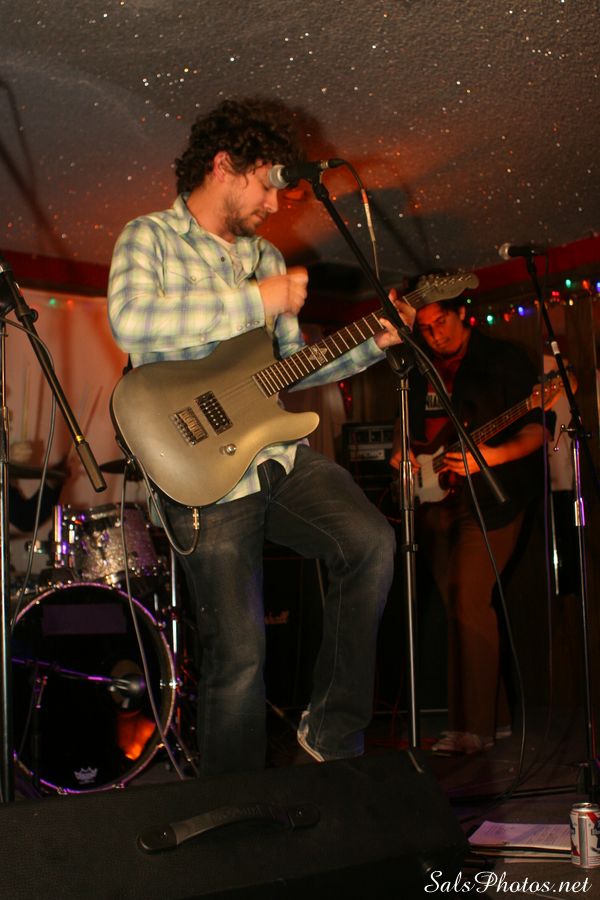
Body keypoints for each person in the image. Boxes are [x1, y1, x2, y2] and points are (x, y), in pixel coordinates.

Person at [108, 97, 412, 775]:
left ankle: (330, 739)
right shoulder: (149, 236)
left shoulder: (266, 255)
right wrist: (258, 300)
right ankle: (233, 808)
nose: (276, 205)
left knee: (370, 542)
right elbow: (132, 322)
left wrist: (373, 342)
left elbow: (288, 364)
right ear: (225, 165)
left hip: (273, 451)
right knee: (239, 653)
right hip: (198, 469)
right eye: (268, 184)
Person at [390, 296, 549, 754]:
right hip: (436, 500)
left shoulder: (502, 358)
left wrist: (489, 457)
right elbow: (410, 428)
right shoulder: (420, 369)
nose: (435, 334)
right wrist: (403, 451)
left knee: (468, 599)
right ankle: (495, 720)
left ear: (462, 314)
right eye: (425, 328)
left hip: (492, 501)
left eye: (441, 321)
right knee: (459, 608)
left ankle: (473, 729)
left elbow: (537, 429)